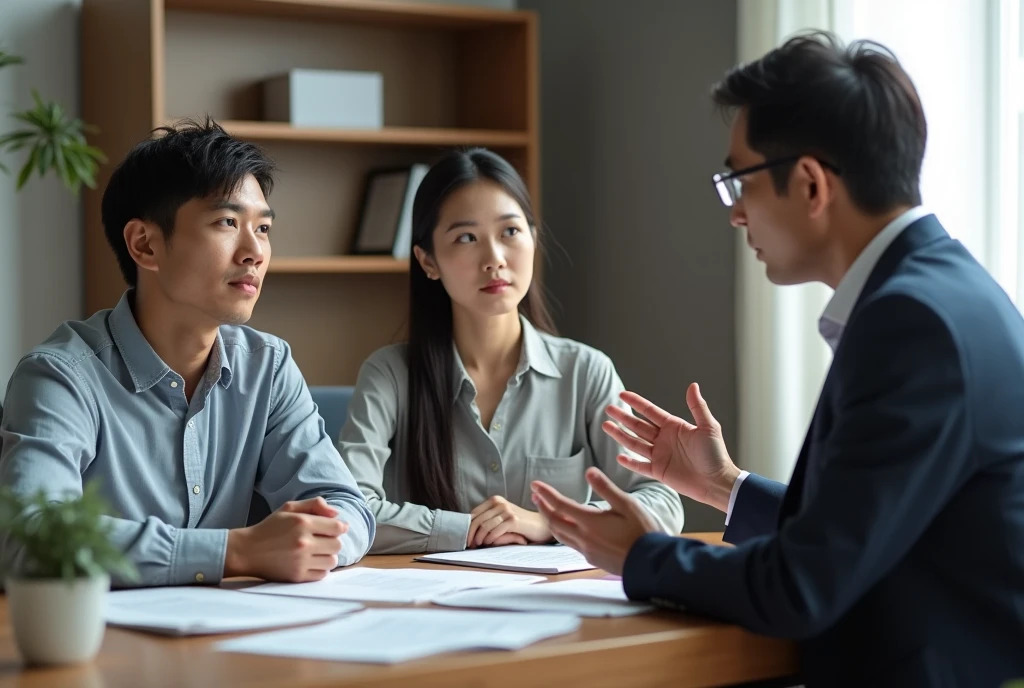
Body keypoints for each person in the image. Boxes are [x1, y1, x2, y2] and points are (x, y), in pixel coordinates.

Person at [530, 32, 1024, 687]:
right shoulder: (946, 288)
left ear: (812, 184)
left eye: (739, 181)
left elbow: (801, 586)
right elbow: (861, 525)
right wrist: (723, 486)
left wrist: (643, 555)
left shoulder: (912, 322)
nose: (735, 215)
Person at [0, 119, 374, 587]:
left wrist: (313, 540)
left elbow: (346, 505)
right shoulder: (60, 377)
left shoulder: (267, 365)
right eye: (228, 222)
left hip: (239, 635)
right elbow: (31, 535)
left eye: (263, 228)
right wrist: (234, 551)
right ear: (145, 244)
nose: (255, 251)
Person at [341, 148, 682, 554]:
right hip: (433, 606)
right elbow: (348, 513)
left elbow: (660, 503)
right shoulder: (390, 375)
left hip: (556, 604)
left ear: (533, 239)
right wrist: (466, 530)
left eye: (510, 232)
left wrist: (550, 521)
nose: (495, 259)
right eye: (466, 237)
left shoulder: (586, 372)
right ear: (428, 261)